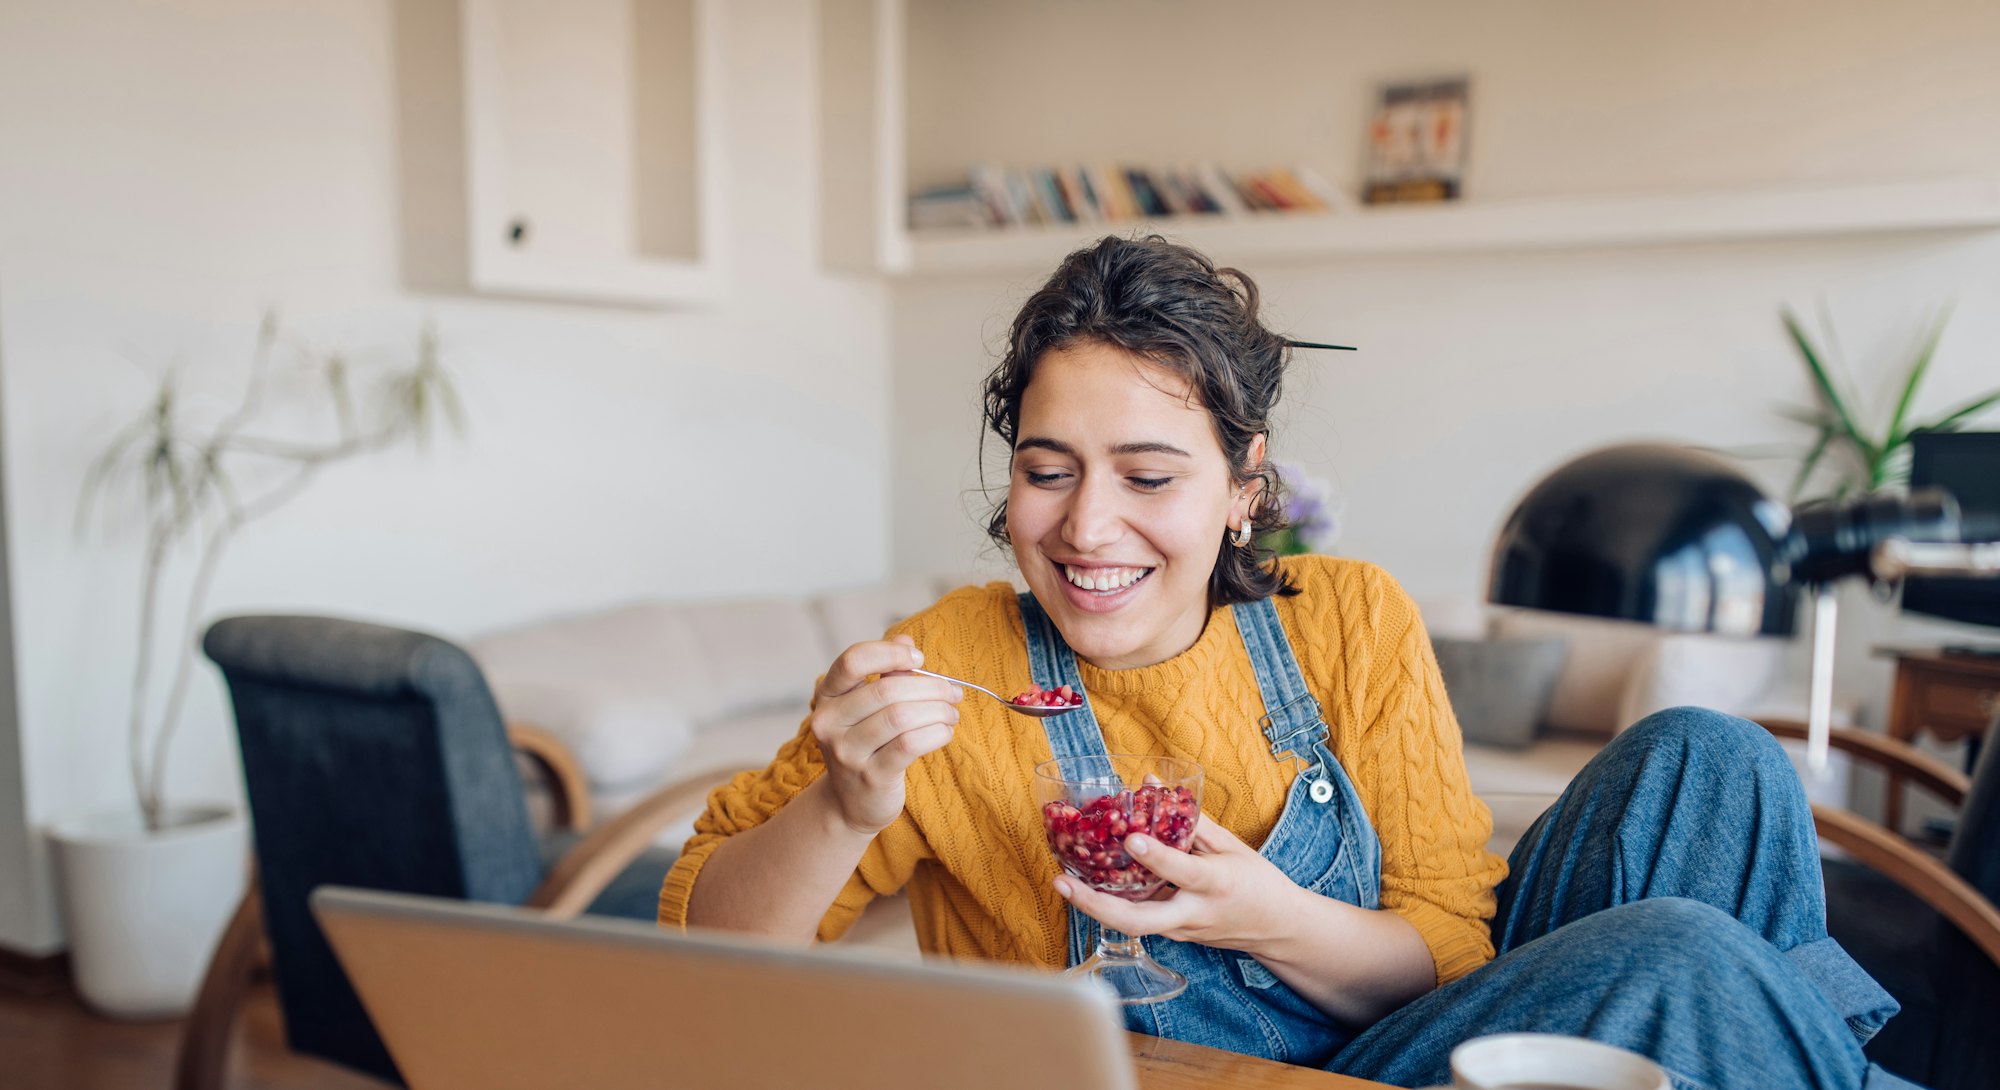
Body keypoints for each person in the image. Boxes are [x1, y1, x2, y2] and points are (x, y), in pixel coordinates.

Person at [657, 235, 1915, 1090]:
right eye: (1047, 471)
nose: (1086, 527)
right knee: (1674, 958)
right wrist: (840, 803)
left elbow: (1449, 945)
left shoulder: (1349, 618)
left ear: (1242, 488)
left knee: (1713, 759)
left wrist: (1269, 917)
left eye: (1148, 476)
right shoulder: (952, 659)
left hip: (1400, 1040)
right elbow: (699, 942)